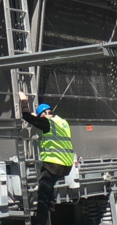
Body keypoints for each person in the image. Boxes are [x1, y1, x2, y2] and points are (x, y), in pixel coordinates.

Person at [17, 91, 74, 225]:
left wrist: (23, 100)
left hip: (54, 163)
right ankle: (51, 203)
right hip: (67, 164)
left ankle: (40, 221)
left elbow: (26, 115)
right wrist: (38, 117)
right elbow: (44, 123)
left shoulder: (47, 123)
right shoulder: (63, 122)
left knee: (42, 192)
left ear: (43, 114)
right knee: (49, 182)